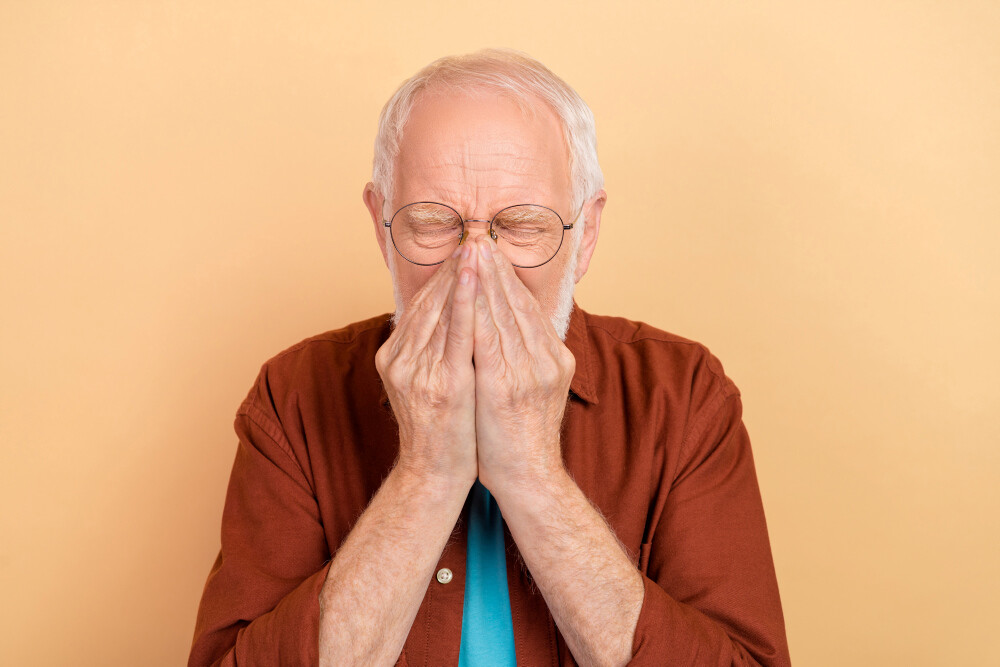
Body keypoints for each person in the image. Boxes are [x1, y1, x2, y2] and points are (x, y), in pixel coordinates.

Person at [189, 49, 791, 667]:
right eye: (431, 223)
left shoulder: (684, 395)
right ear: (382, 228)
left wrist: (532, 470)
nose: (474, 267)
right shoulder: (292, 395)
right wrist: (427, 470)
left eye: (524, 225)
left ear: (584, 234)